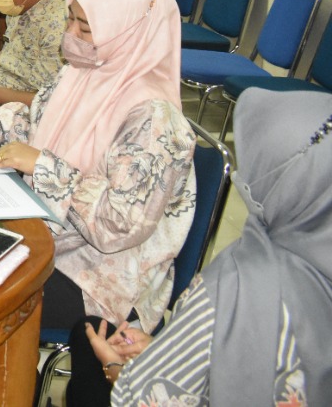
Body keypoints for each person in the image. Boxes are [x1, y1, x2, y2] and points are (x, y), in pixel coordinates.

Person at [0, 0, 196, 339]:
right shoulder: (80, 74)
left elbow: (118, 225)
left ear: (127, 34)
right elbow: (34, 130)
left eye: (85, 28)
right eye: (70, 20)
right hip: (47, 231)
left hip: (100, 275)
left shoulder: (155, 121)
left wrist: (44, 167)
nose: (70, 34)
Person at [77, 88, 332, 407]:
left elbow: (142, 400)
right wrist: (164, 351)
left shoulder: (235, 286)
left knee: (86, 339)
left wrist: (114, 368)